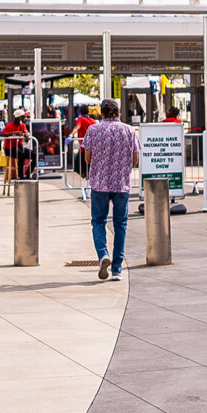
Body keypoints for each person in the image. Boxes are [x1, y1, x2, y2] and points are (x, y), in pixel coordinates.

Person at [81, 98, 139, 281]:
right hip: (121, 184)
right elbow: (135, 159)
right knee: (120, 225)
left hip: (100, 183)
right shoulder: (129, 130)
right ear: (119, 113)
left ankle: (103, 254)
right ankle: (117, 269)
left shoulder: (93, 130)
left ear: (102, 113)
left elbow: (87, 158)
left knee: (98, 222)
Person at [2, 109, 34, 179]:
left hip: (19, 147)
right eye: (23, 117)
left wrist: (26, 134)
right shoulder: (9, 125)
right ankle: (21, 176)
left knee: (34, 155)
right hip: (9, 149)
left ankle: (27, 174)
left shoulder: (22, 125)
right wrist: (15, 133)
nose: (24, 119)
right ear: (18, 118)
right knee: (21, 155)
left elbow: (26, 131)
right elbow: (1, 134)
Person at [71, 105, 94, 178]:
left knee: (78, 167)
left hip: (83, 148)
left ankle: (87, 179)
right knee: (89, 168)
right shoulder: (93, 121)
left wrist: (71, 135)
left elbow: (77, 127)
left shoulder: (81, 119)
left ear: (79, 111)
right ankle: (88, 180)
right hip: (92, 148)